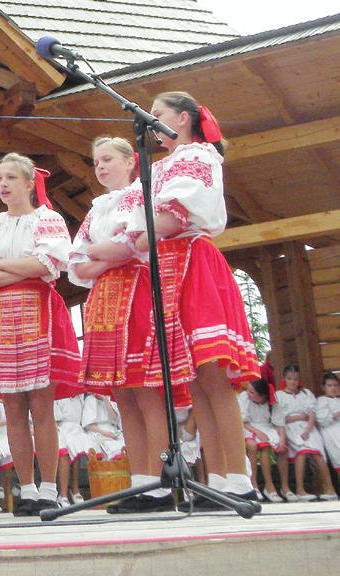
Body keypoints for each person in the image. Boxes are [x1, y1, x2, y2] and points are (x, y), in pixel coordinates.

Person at [122, 92, 261, 507]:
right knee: (195, 381)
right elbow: (139, 224)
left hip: (192, 261)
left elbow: (171, 215)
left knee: (213, 376)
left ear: (182, 119)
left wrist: (147, 232)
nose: (153, 122)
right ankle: (216, 476)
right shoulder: (161, 165)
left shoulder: (199, 155)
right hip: (166, 266)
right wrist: (145, 234)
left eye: (159, 115)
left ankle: (238, 478)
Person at [0, 152, 81, 516]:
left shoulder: (48, 219)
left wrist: (0, 264)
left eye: (11, 178)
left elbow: (50, 264)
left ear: (30, 183)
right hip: (1, 318)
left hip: (38, 315)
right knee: (13, 409)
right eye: (0, 178)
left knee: (42, 407)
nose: (3, 185)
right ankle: (27, 488)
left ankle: (49, 488)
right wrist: (24, 270)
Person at [68, 136, 179, 514]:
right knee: (124, 397)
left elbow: (132, 247)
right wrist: (107, 255)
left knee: (145, 392)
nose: (100, 167)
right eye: (96, 161)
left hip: (136, 293)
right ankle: (140, 481)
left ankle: (162, 483)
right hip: (103, 301)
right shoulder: (97, 208)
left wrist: (104, 254)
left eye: (107, 159)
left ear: (131, 161)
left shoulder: (142, 194)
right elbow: (77, 263)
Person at [273, 364, 336, 501]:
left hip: (309, 428)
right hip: (291, 428)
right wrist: (299, 417)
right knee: (302, 452)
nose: (293, 382)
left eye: (295, 379)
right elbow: (280, 418)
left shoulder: (306, 393)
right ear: (284, 378)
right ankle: (300, 489)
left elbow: (312, 414)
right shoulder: (279, 395)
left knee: (317, 453)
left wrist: (308, 429)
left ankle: (330, 488)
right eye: (290, 378)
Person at [237, 379, 283, 503]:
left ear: (262, 396)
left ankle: (271, 486)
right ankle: (254, 484)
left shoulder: (272, 403)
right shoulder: (244, 398)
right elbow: (243, 421)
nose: (248, 393)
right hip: (248, 427)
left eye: (252, 392)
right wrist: (258, 433)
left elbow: (279, 422)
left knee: (268, 446)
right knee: (253, 446)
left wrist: (282, 439)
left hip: (266, 427)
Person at [54, 393, 91, 507]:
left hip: (77, 429)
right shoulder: (57, 395)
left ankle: (75, 489)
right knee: (64, 452)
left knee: (77, 448)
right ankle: (63, 494)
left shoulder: (80, 397)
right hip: (60, 428)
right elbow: (54, 419)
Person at [315, 372, 340, 498]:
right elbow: (320, 420)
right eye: (330, 385)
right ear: (324, 387)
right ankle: (331, 490)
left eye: (336, 385)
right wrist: (335, 414)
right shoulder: (321, 401)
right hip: (331, 433)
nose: (333, 388)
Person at [83, 393, 126, 461]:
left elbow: (115, 418)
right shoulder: (90, 399)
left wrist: (105, 400)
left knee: (123, 445)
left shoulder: (110, 398)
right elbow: (89, 425)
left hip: (113, 430)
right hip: (97, 431)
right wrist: (105, 433)